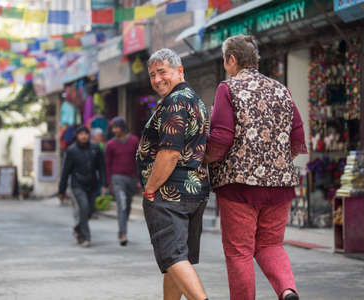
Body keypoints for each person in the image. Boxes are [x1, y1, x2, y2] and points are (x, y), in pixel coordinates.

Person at [205, 34, 307, 300]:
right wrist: (274, 164)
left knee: (239, 252)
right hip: (280, 186)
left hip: (239, 187)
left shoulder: (228, 89)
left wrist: (204, 159)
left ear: (232, 60)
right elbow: (298, 138)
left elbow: (221, 138)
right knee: (270, 244)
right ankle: (287, 290)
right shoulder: (280, 89)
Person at [136, 48, 210, 300]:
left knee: (173, 257)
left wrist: (150, 188)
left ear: (179, 71)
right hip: (191, 191)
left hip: (170, 193)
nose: (157, 79)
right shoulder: (194, 99)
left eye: (162, 72)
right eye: (152, 75)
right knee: (175, 260)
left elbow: (169, 153)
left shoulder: (176, 102)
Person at [58, 126, 107, 248]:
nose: (84, 136)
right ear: (77, 136)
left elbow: (101, 168)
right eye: (81, 134)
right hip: (77, 184)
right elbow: (65, 171)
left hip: (92, 184)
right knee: (83, 208)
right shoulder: (71, 151)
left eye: (86, 134)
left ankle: (78, 228)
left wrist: (104, 184)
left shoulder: (96, 149)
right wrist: (62, 190)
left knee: (90, 210)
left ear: (89, 135)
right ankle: (85, 237)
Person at [105, 117, 139, 246]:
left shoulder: (134, 141)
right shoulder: (110, 144)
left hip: (131, 178)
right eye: (112, 128)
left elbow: (139, 161)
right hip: (117, 178)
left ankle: (122, 229)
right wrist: (109, 183)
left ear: (123, 127)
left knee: (128, 205)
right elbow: (107, 165)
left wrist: (139, 180)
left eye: (116, 127)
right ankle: (123, 234)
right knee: (122, 204)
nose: (114, 130)